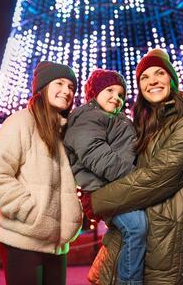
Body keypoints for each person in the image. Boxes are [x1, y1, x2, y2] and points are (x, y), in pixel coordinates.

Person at [81, 49, 183, 284]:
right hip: (123, 246)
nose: (152, 81)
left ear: (172, 78)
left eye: (159, 73)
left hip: (165, 248)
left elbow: (157, 177)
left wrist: (98, 201)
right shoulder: (142, 125)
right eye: (144, 77)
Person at [0, 61, 83, 285]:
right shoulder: (20, 123)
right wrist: (32, 213)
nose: (67, 91)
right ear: (42, 87)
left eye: (71, 87)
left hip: (57, 244)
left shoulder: (65, 133)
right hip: (23, 239)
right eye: (59, 83)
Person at [64, 69, 147, 285]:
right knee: (136, 226)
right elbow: (96, 154)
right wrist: (135, 176)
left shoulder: (116, 118)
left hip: (117, 186)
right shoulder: (87, 117)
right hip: (100, 189)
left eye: (121, 94)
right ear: (94, 93)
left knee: (128, 232)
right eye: (109, 90)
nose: (116, 98)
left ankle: (105, 274)